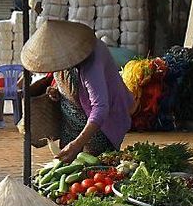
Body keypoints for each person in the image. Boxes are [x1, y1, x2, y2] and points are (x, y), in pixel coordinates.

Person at [21, 20, 134, 161]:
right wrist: (56, 91)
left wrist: (77, 143)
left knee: (93, 169)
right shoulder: (62, 57)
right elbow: (68, 83)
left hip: (99, 126)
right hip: (70, 121)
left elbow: (100, 107)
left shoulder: (92, 60)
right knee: (67, 165)